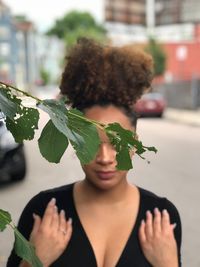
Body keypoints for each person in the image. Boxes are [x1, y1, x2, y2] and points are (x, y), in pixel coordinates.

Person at [7, 38, 182, 267]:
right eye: (91, 142)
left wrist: (168, 264)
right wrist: (34, 261)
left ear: (135, 143)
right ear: (75, 141)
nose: (105, 158)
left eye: (117, 142)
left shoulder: (160, 218)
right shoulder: (44, 211)